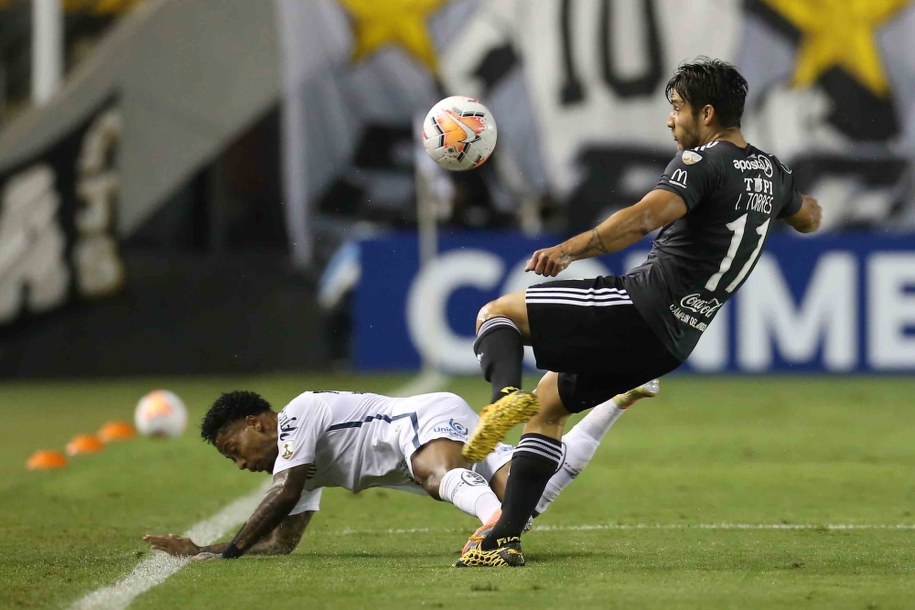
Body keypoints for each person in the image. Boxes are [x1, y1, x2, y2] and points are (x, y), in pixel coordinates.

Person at [455, 57, 822, 568]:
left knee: (498, 314)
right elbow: (810, 216)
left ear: (707, 113)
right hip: (674, 341)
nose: (670, 120)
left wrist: (569, 249)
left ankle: (499, 402)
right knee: (548, 408)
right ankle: (503, 540)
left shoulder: (702, 163)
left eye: (676, 108)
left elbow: (644, 218)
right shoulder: (773, 172)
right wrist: (787, 197)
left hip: (640, 305)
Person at [143, 382, 659, 560]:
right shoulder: (298, 467)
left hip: (420, 422)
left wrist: (228, 551)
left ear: (258, 422)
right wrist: (203, 552)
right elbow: (282, 541)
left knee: (437, 477)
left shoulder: (298, 415)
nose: (240, 464)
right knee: (537, 491)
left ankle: (491, 526)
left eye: (235, 448)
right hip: (432, 428)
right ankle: (619, 397)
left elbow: (283, 493)